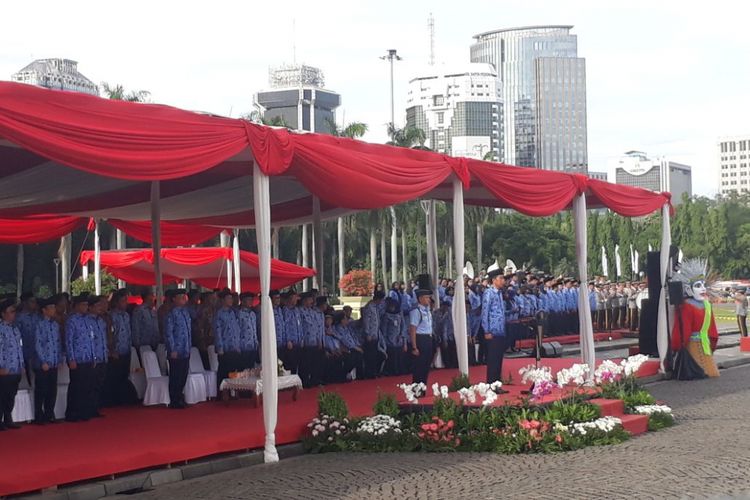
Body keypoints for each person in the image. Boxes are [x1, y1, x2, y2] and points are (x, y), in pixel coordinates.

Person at [671, 259, 719, 378]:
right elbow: (713, 333)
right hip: (702, 344)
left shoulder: (690, 306)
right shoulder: (698, 305)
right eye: (698, 285)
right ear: (688, 289)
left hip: (696, 344)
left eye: (703, 285)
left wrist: (676, 346)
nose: (703, 288)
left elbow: (683, 331)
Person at [65, 295, 96, 422]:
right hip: (77, 358)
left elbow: (92, 339)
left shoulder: (88, 320)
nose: (85, 307)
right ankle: (73, 412)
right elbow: (69, 341)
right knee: (76, 386)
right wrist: (71, 358)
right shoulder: (72, 320)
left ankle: (85, 411)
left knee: (87, 385)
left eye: (86, 305)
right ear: (77, 306)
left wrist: (94, 356)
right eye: (83, 305)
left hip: (88, 357)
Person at [33, 297, 62, 424]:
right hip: (43, 363)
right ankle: (39, 415)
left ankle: (49, 413)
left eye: (54, 307)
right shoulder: (39, 325)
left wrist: (59, 358)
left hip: (54, 361)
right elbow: (38, 344)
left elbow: (58, 343)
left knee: (52, 389)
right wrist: (43, 361)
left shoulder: (55, 325)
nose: (53, 310)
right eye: (51, 308)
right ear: (44, 310)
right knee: (42, 389)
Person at [482, 269, 509, 392]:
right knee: (493, 360)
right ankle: (491, 385)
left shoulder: (499, 293)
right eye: (501, 278)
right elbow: (485, 312)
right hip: (492, 331)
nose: (503, 280)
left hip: (500, 330)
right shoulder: (489, 293)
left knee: (498, 359)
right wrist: (486, 330)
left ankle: (497, 384)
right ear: (494, 280)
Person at [165, 289, 192, 408]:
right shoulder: (171, 314)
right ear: (174, 299)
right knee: (175, 375)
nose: (183, 299)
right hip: (176, 349)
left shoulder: (185, 313)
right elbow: (168, 333)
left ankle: (180, 396)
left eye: (183, 297)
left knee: (183, 374)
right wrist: (172, 349)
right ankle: (174, 399)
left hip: (185, 348)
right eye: (180, 297)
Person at [0, 299, 24, 430]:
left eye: (14, 312)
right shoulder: (1, 329)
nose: (13, 314)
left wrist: (21, 364)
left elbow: (19, 347)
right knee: (2, 395)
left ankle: (8, 418)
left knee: (11, 394)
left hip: (15, 368)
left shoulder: (15, 329)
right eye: (11, 312)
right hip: (5, 369)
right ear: (3, 314)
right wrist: (1, 366)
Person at [107, 291, 133, 406]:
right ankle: (114, 399)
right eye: (123, 301)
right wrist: (112, 350)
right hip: (116, 350)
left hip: (126, 348)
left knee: (124, 375)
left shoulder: (126, 315)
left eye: (126, 301)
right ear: (116, 302)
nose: (125, 304)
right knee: (114, 376)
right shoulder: (112, 316)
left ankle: (123, 398)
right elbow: (111, 334)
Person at [214, 290, 242, 391]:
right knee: (224, 371)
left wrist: (238, 345)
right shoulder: (219, 314)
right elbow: (218, 331)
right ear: (223, 300)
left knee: (233, 371)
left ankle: (232, 391)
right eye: (228, 298)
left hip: (234, 346)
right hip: (225, 348)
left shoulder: (233, 312)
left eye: (231, 298)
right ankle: (221, 393)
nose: (231, 300)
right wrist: (220, 347)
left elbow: (237, 330)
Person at [87, 295, 109, 417]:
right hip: (93, 357)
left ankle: (96, 407)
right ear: (90, 308)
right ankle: (89, 408)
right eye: (97, 306)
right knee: (91, 384)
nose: (100, 308)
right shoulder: (87, 322)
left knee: (99, 384)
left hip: (102, 355)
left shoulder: (101, 321)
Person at [299, 292, 325, 388]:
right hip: (306, 341)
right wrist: (301, 339)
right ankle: (304, 382)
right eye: (310, 300)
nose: (312, 302)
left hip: (314, 340)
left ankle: (314, 380)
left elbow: (316, 326)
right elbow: (300, 327)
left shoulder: (312, 312)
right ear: (304, 300)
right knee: (305, 363)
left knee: (315, 362)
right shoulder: (300, 311)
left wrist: (319, 339)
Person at [409, 287, 434, 388]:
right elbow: (412, 329)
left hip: (428, 338)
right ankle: (416, 390)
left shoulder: (428, 311)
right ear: (420, 299)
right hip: (420, 339)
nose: (429, 300)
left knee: (426, 366)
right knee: (419, 367)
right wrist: (414, 347)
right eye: (426, 297)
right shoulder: (416, 311)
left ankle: (423, 388)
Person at [361, 290, 386, 379]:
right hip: (370, 335)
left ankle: (373, 372)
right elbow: (366, 321)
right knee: (369, 355)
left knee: (374, 354)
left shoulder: (376, 307)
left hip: (375, 334)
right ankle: (369, 373)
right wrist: (367, 333)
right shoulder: (369, 307)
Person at [15, 292, 39, 381]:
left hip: (37, 354)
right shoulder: (19, 318)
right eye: (31, 302)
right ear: (25, 303)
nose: (34, 304)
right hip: (24, 354)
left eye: (35, 302)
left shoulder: (37, 317)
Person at [382, 298, 408, 375]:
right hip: (389, 340)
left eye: (393, 306)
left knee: (400, 356)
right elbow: (384, 330)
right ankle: (392, 371)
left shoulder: (399, 315)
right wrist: (385, 341)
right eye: (390, 306)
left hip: (399, 339)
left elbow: (403, 327)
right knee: (392, 356)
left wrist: (402, 338)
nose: (392, 308)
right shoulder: (386, 316)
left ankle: (400, 370)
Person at [281, 291, 303, 374]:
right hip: (290, 342)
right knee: (289, 364)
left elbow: (299, 324)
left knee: (296, 363)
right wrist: (288, 340)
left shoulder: (296, 310)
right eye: (294, 298)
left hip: (298, 340)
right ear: (290, 299)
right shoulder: (285, 310)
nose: (296, 300)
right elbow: (285, 326)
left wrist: (301, 338)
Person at [238, 292, 259, 370]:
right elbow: (238, 330)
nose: (251, 302)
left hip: (253, 345)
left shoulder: (253, 314)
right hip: (244, 346)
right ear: (243, 301)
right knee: (244, 368)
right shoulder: (239, 314)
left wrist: (256, 341)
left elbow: (254, 329)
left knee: (252, 367)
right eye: (248, 300)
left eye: (251, 300)